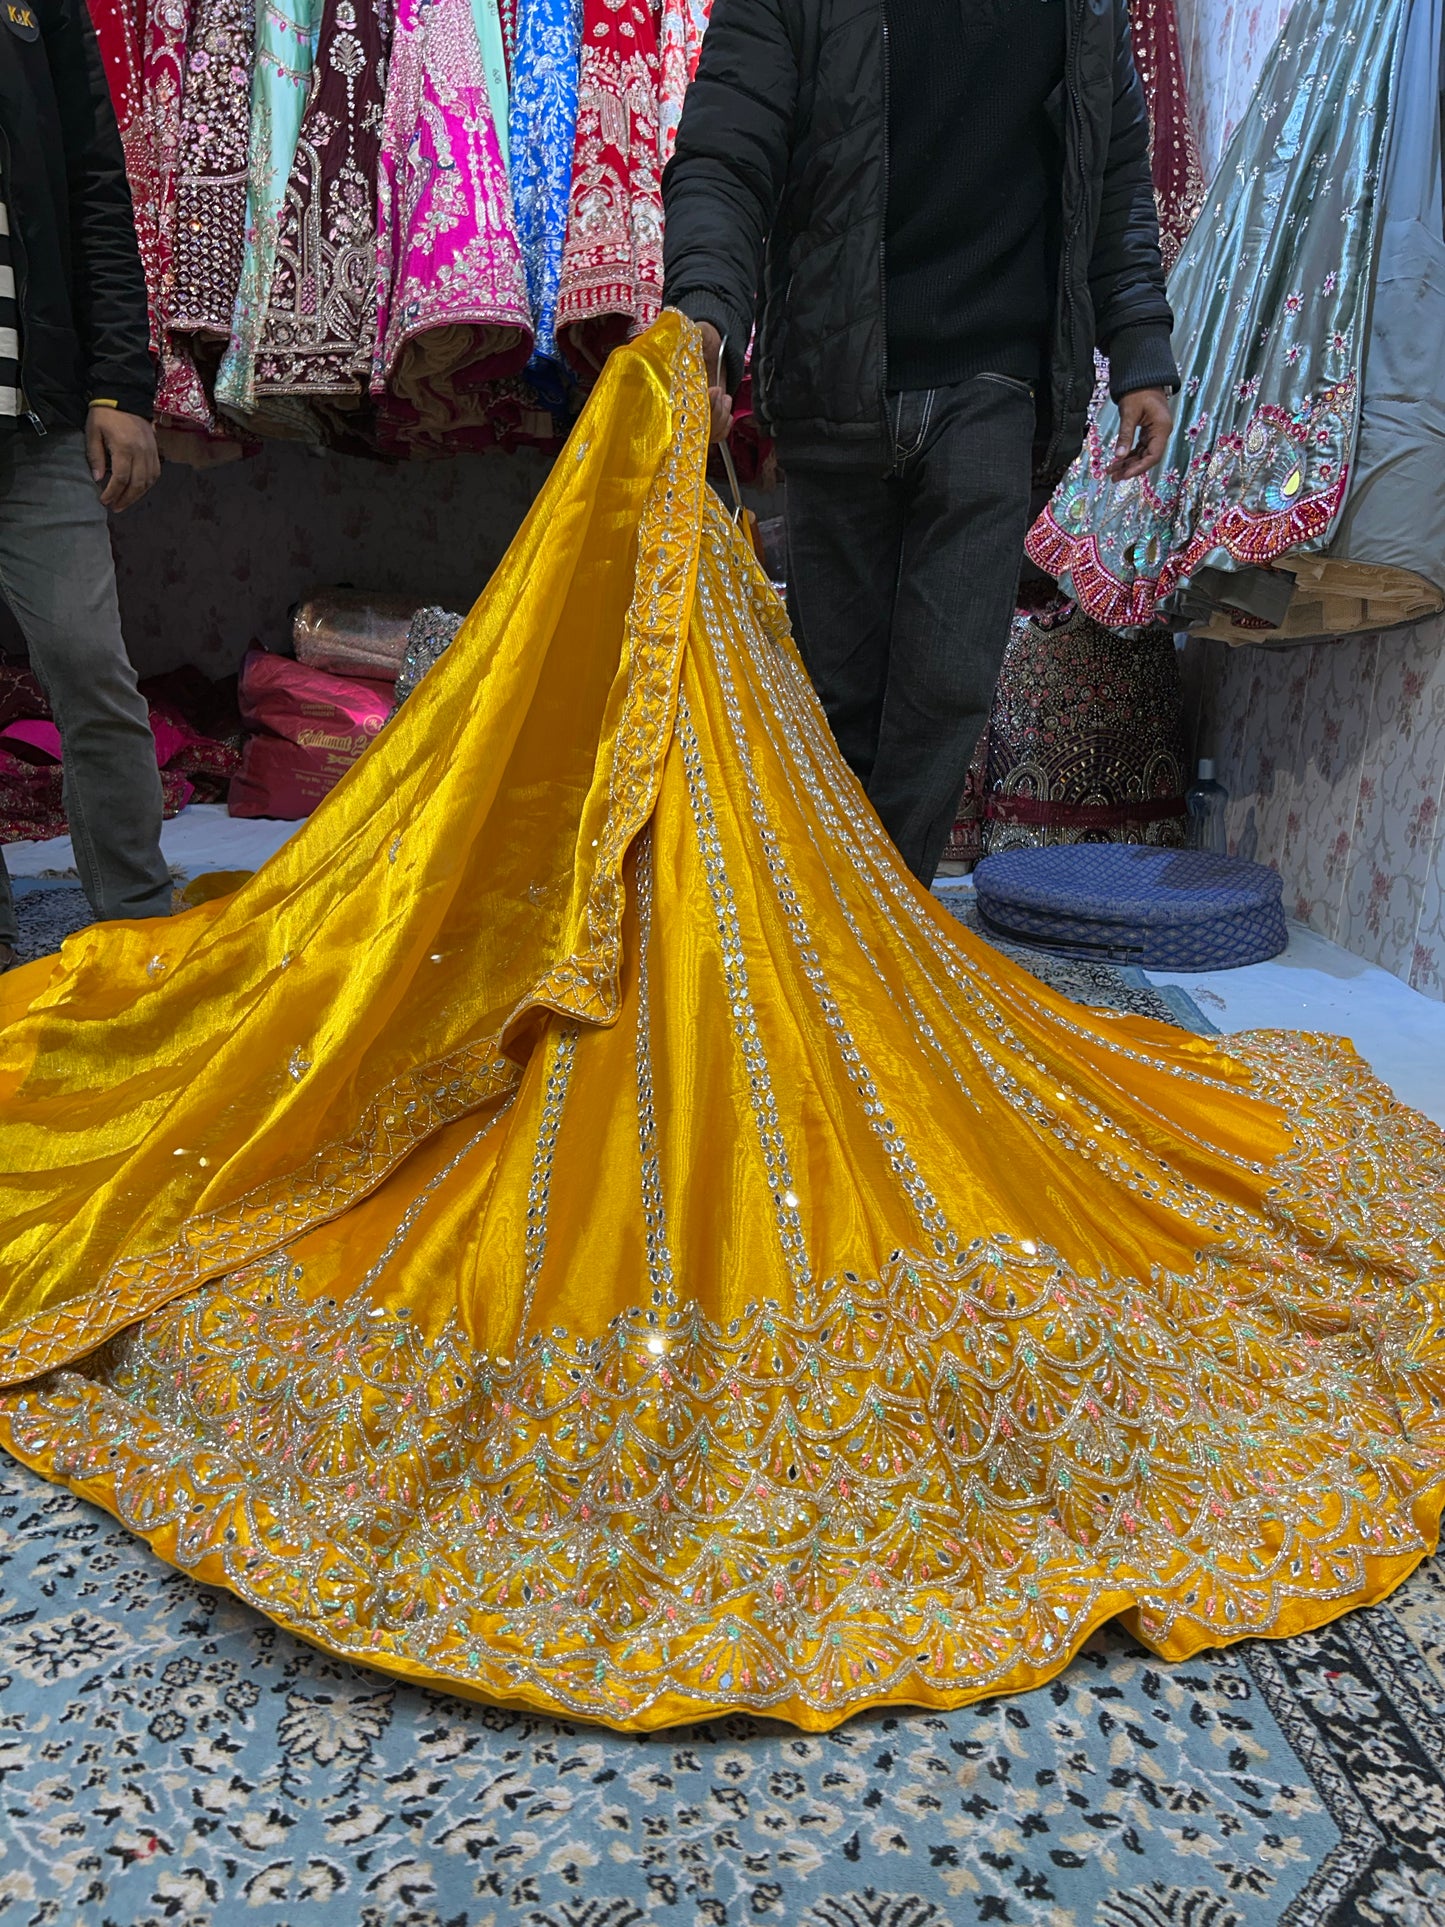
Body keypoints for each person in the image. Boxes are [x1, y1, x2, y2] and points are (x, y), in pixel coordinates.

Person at [0, 317, 1440, 1733]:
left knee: (880, 750)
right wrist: (699, 303)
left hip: (961, 369)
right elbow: (729, 187)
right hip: (811, 368)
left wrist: (1120, 348)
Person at [661, 0, 1178, 883]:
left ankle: (876, 920)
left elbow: (1114, 165)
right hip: (838, 380)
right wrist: (705, 316)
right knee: (835, 700)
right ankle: (822, 917)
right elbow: (726, 154)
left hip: (996, 382)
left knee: (946, 694)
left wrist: (1137, 342)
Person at [0, 0, 168, 972]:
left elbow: (96, 186)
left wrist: (120, 387)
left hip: (41, 415)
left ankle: (141, 933)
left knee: (88, 662)